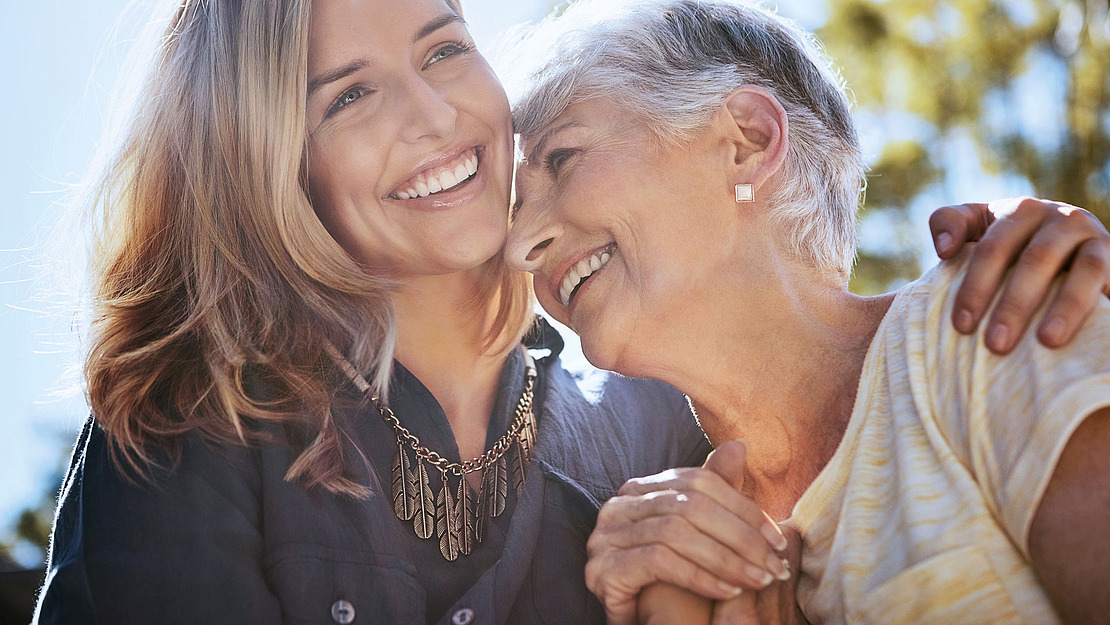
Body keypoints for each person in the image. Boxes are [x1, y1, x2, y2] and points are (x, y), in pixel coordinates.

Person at [32, 0, 1109, 623]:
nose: (524, 229)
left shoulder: (986, 338)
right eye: (348, 95)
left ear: (746, 141)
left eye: (560, 160)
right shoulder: (194, 423)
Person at [503, 1, 1110, 624]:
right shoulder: (665, 554)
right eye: (513, 209)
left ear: (749, 141)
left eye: (562, 159)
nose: (520, 245)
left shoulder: (989, 325)